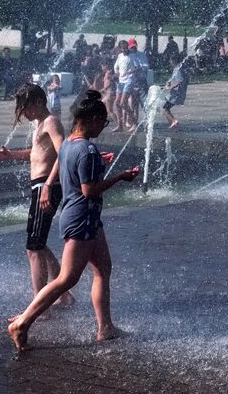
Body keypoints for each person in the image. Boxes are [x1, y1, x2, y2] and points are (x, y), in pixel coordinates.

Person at [7, 96, 139, 353]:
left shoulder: (69, 144)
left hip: (82, 217)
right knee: (67, 278)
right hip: (82, 218)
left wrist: (98, 163)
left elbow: (76, 171)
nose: (103, 126)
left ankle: (105, 328)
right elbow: (89, 190)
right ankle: (23, 322)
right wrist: (120, 177)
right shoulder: (87, 150)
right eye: (102, 121)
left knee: (103, 269)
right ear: (90, 120)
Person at [0, 84, 75, 314]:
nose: (24, 114)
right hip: (40, 186)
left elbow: (64, 153)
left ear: (39, 101)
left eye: (26, 108)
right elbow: (37, 153)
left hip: (46, 187)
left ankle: (40, 309)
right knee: (39, 244)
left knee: (34, 248)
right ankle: (64, 295)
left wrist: (48, 185)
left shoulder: (51, 122)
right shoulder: (41, 124)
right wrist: (10, 156)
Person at [161, 58, 188, 129]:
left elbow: (179, 81)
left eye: (170, 60)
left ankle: (174, 121)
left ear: (173, 60)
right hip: (175, 94)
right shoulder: (178, 68)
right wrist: (169, 82)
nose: (169, 62)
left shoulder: (179, 70)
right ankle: (172, 124)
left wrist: (170, 87)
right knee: (165, 108)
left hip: (176, 94)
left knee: (165, 108)